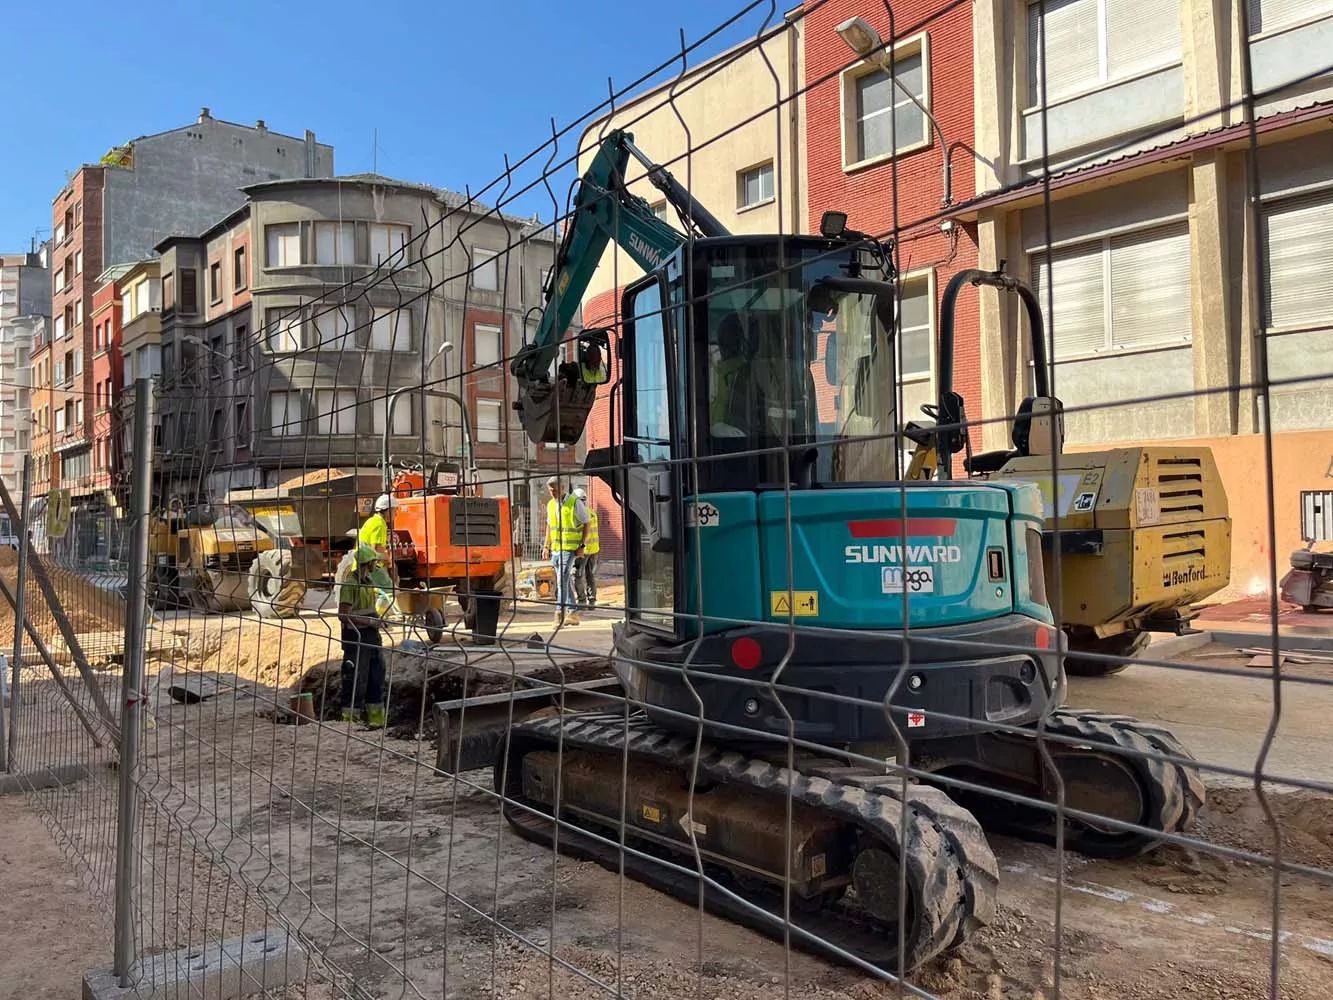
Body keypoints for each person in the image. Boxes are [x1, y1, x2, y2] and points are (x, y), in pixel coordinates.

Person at [335, 543, 393, 727]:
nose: (375, 565)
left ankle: (376, 719)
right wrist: (369, 622)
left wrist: (378, 619)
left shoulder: (368, 583)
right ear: (366, 563)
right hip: (355, 638)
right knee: (355, 678)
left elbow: (369, 609)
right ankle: (351, 720)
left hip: (371, 636)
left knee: (376, 676)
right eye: (373, 562)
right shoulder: (350, 585)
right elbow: (343, 615)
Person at [541, 475, 589, 627]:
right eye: (550, 490)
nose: (552, 493)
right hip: (556, 549)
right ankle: (573, 612)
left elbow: (586, 523)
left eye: (554, 490)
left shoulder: (574, 502)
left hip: (569, 549)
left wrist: (582, 546)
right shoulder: (550, 505)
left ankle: (559, 613)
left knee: (562, 579)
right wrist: (546, 546)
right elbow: (549, 526)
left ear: (562, 487)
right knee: (564, 581)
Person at [571, 486, 599, 609]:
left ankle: (581, 601)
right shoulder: (592, 512)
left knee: (576, 575)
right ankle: (592, 601)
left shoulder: (579, 514)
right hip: (594, 550)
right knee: (590, 575)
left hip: (583, 550)